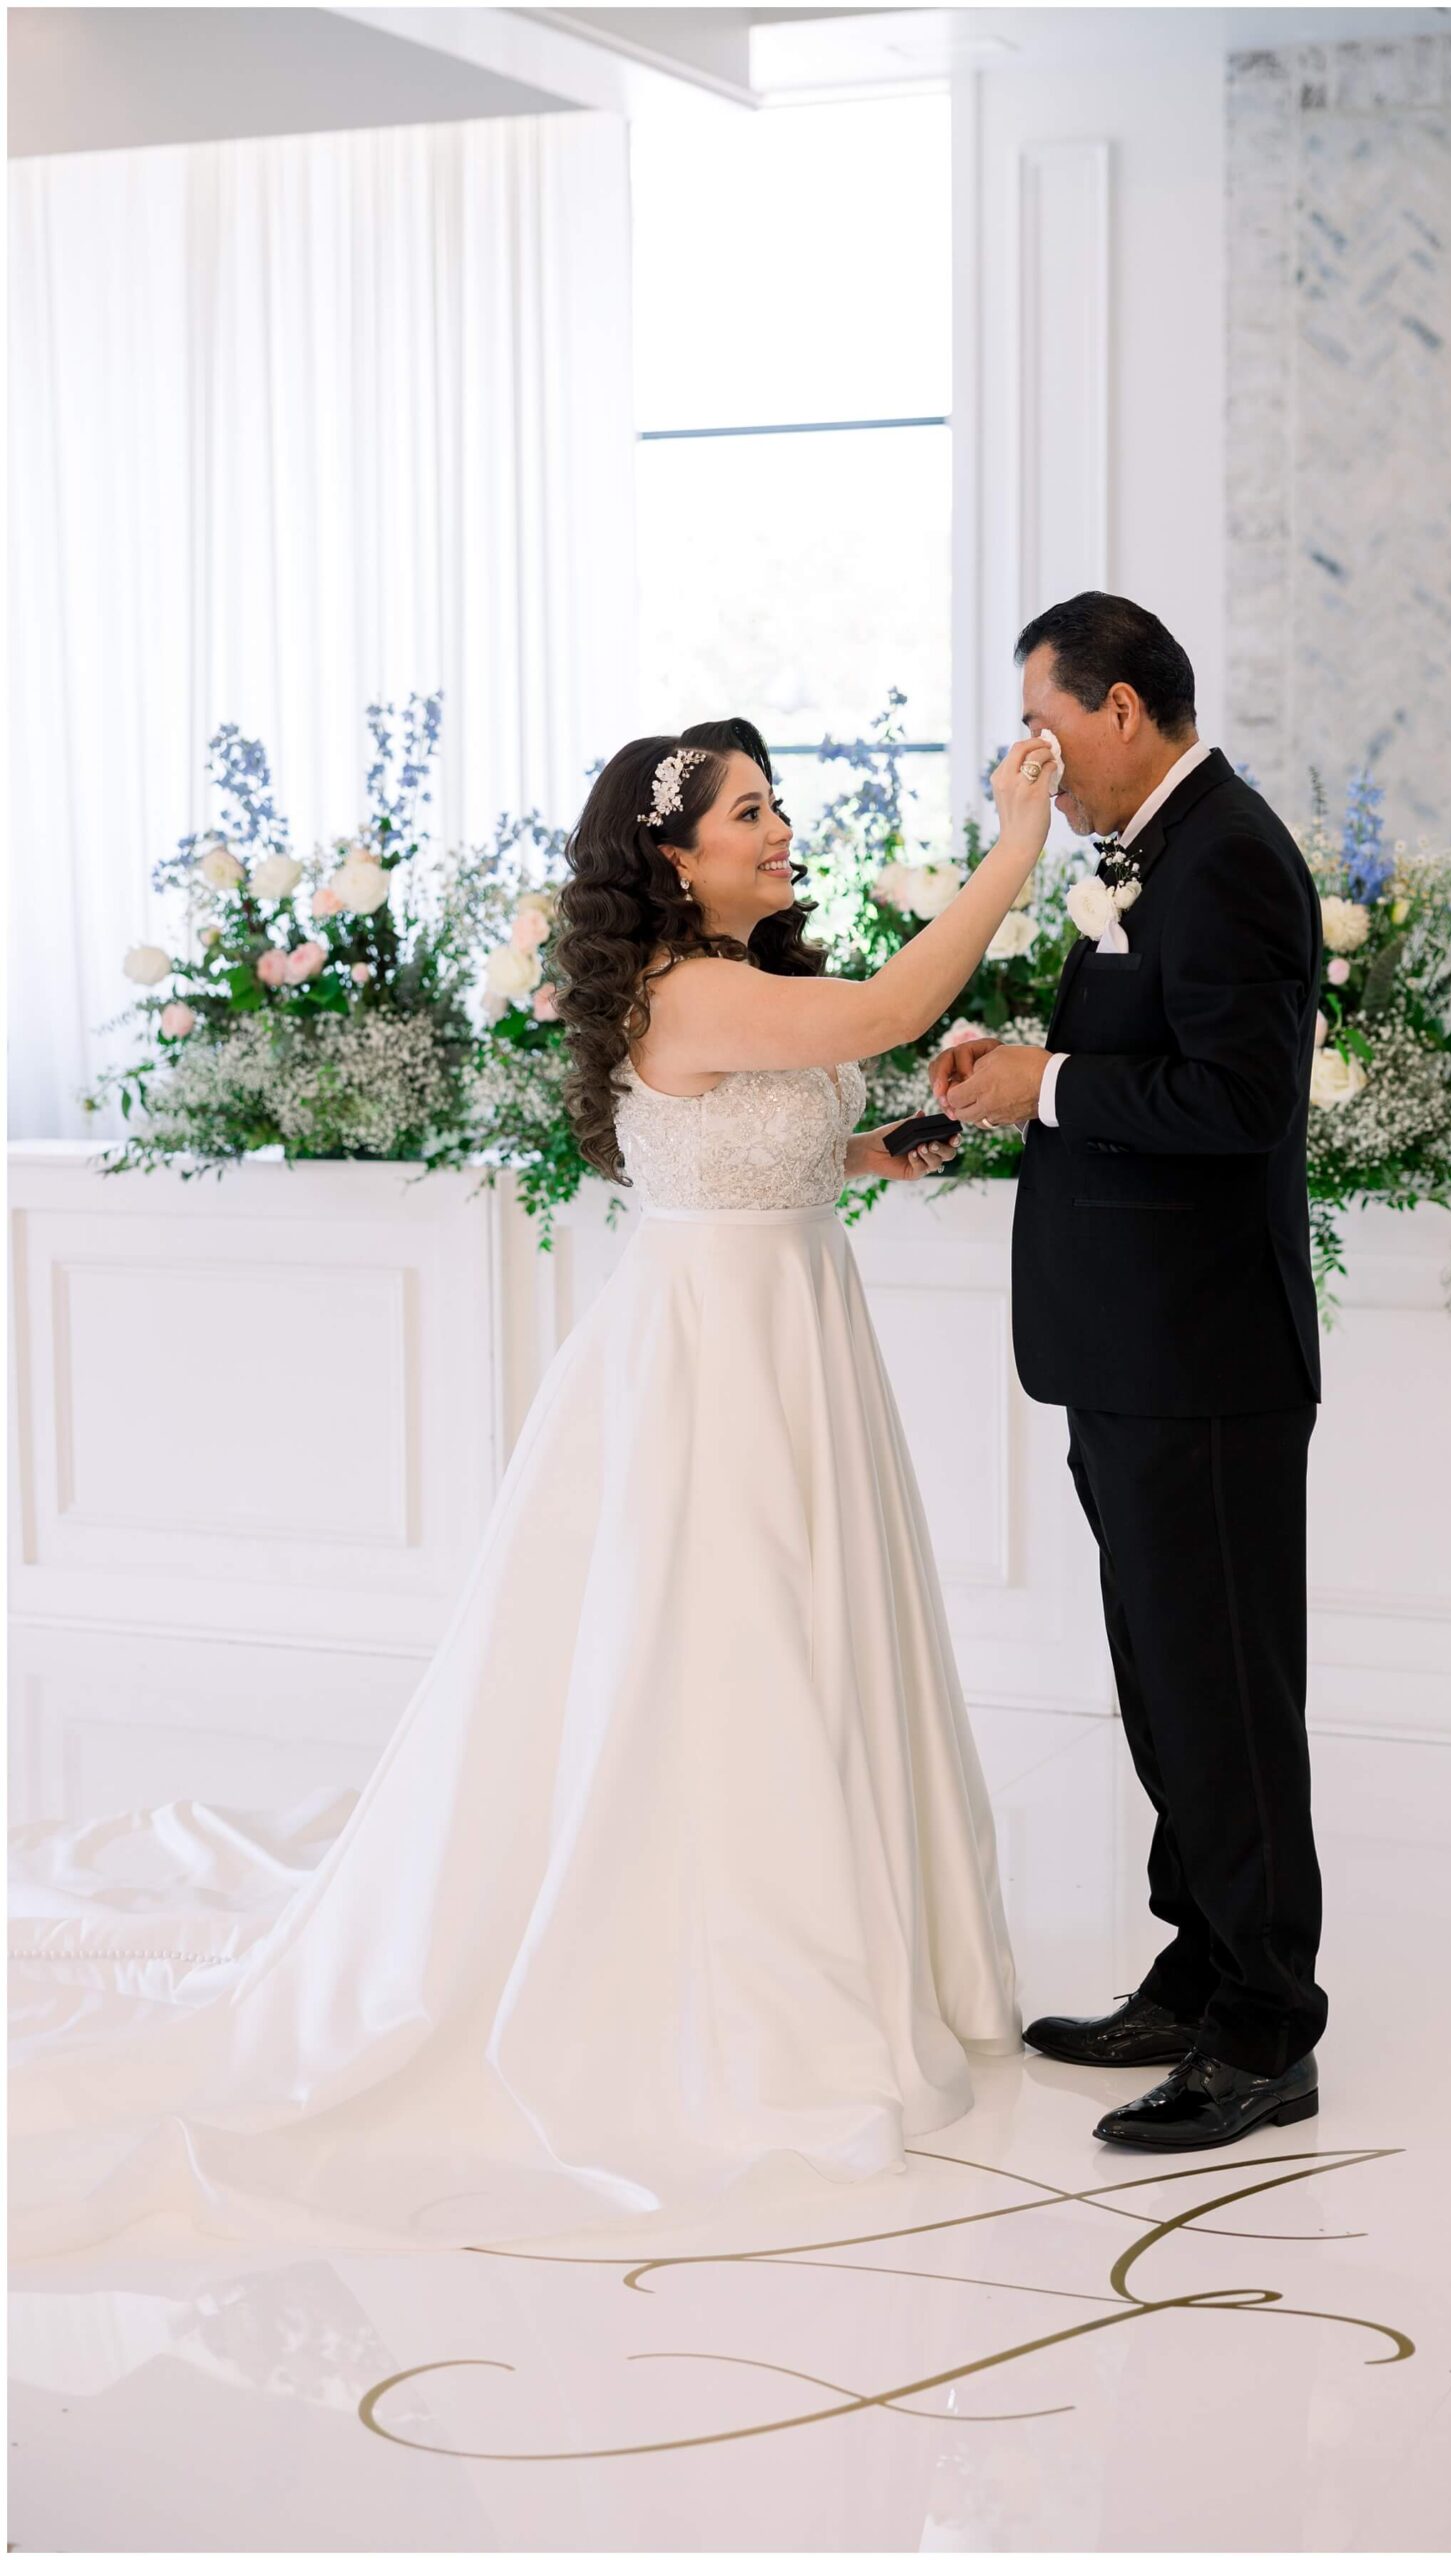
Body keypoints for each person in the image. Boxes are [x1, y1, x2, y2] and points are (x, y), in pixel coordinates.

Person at [8, 718, 1060, 2258]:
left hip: (792, 1334)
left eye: (777, 807)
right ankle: (738, 1977)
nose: (780, 833)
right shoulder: (688, 988)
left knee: (798, 1638)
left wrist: (879, 1154)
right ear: (673, 854)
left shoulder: (735, 987)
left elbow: (751, 1156)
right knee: (731, 1650)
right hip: (714, 1368)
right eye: (749, 812)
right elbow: (902, 1000)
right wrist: (1016, 848)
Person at [931, 591, 1329, 2153]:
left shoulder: (1226, 854)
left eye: (1042, 722)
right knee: (1169, 1684)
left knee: (1226, 1694)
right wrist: (1009, 1097)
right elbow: (1131, 1085)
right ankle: (1199, 1964)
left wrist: (1052, 1079)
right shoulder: (1149, 853)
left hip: (1207, 1360)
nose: (1031, 754)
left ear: (1118, 710)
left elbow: (1235, 1101)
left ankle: (1266, 2029)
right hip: (1135, 1354)